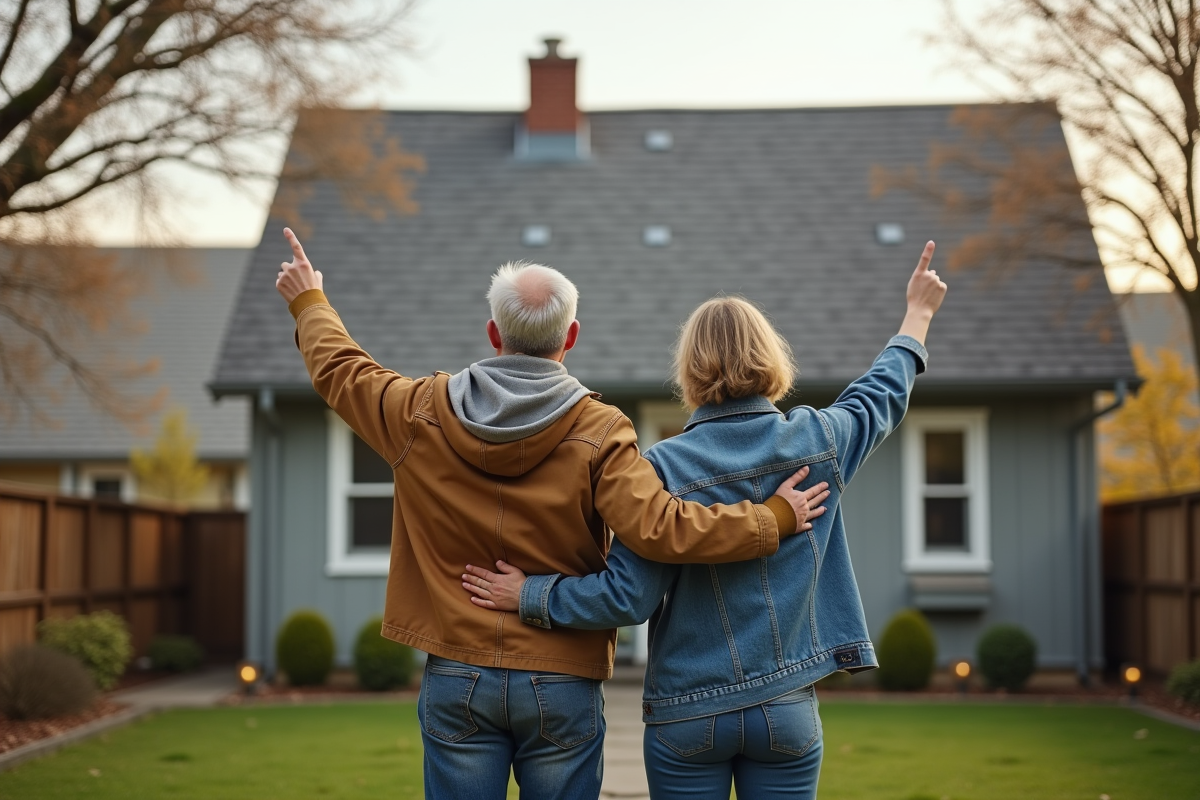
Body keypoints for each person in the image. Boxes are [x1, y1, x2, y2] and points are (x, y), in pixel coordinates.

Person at [273, 229, 828, 800]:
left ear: (493, 334)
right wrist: (773, 519)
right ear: (571, 337)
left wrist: (309, 300)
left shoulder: (416, 411)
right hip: (561, 677)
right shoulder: (601, 430)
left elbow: (340, 369)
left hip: (458, 670)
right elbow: (664, 528)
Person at [462, 242, 947, 800]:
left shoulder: (660, 469)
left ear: (689, 368)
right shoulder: (819, 443)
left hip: (686, 714)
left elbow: (627, 600)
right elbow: (881, 393)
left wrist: (531, 594)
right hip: (785, 708)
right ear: (771, 358)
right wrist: (918, 315)